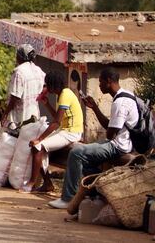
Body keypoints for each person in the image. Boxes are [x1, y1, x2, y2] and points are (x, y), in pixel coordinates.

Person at [48, 68, 139, 209]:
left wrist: (108, 131)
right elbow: (110, 126)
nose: (99, 85)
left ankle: (68, 198)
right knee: (87, 163)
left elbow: (110, 134)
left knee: (76, 153)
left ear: (109, 81)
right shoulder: (125, 95)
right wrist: (95, 108)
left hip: (119, 146)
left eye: (101, 81)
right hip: (119, 143)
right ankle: (94, 193)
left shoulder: (120, 103)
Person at [23, 72, 84, 193]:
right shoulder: (61, 95)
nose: (46, 88)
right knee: (38, 148)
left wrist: (39, 139)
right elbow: (58, 118)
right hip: (65, 129)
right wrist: (47, 104)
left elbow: (56, 123)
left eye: (48, 85)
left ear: (53, 85)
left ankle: (31, 183)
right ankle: (47, 184)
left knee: (38, 147)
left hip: (71, 132)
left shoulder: (65, 95)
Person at [0, 44, 45, 129]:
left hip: (19, 118)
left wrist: (5, 114)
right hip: (34, 115)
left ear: (20, 56)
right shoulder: (38, 70)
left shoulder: (19, 71)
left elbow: (15, 96)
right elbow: (45, 86)